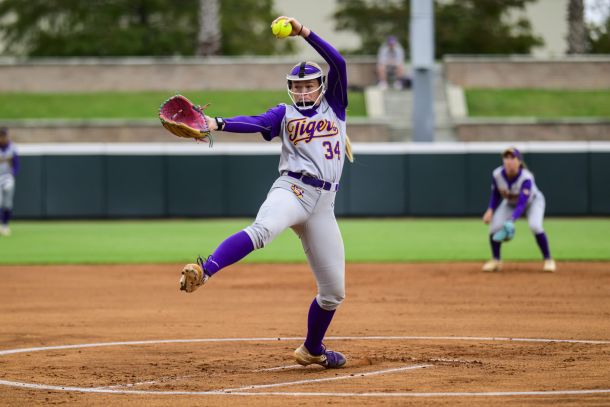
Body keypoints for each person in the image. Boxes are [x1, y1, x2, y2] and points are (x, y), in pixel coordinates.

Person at [179, 16, 352, 369]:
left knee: (333, 293)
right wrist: (216, 123)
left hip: (324, 205)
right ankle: (204, 270)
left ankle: (312, 349)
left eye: (309, 86)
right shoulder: (285, 114)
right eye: (297, 87)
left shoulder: (334, 105)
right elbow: (256, 122)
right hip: (293, 190)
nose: (303, 92)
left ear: (321, 87)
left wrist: (303, 32)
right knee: (262, 231)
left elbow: (339, 62)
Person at [482, 147, 556, 272]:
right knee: (494, 227)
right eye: (506, 157)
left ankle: (548, 260)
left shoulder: (526, 177)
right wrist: (490, 210)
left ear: (519, 161)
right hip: (510, 203)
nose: (509, 161)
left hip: (533, 202)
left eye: (512, 158)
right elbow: (496, 194)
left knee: (535, 226)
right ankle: (496, 260)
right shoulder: (497, 174)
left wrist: (511, 220)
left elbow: (522, 203)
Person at [0, 127, 19, 237]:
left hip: (7, 176)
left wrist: (13, 174)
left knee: (7, 204)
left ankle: (5, 225)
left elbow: (16, 164)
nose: (3, 138)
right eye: (1, 136)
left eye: (4, 136)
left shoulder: (12, 147)